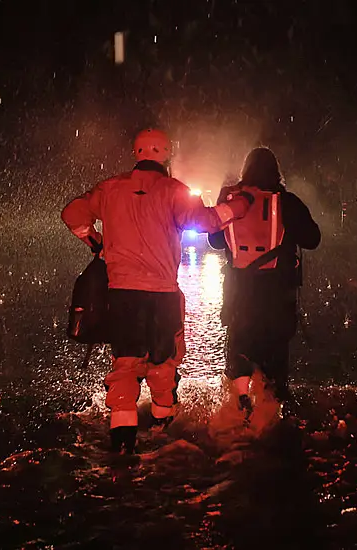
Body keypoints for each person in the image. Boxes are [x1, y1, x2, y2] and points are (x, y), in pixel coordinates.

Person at [61, 128, 255, 454]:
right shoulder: (174, 190)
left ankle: (122, 447)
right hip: (163, 294)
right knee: (163, 365)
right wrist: (237, 208)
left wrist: (96, 242)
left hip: (121, 294)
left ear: (136, 153)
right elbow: (207, 221)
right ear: (166, 155)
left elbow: (72, 215)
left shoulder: (110, 188)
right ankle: (162, 435)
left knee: (124, 366)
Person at [208, 147, 321, 418]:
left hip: (240, 296)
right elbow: (313, 239)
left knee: (239, 351)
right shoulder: (287, 202)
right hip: (276, 297)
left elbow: (214, 241)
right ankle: (272, 418)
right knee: (275, 361)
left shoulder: (234, 203)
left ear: (246, 171)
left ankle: (239, 408)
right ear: (276, 172)